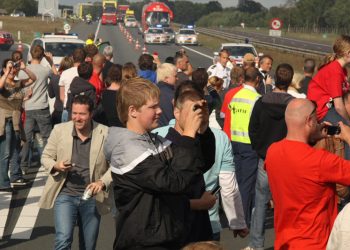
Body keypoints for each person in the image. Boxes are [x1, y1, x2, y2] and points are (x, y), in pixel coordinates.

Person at [103, 78, 212, 249]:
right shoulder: (128, 150)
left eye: (158, 105)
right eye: (153, 107)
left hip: (164, 238)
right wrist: (189, 133)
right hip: (144, 243)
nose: (160, 111)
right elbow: (174, 182)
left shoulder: (153, 141)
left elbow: (198, 164)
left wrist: (202, 128)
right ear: (133, 111)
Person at [154, 88, 248, 242]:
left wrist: (203, 125)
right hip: (174, 229)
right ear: (176, 112)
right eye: (192, 110)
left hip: (205, 226)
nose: (195, 115)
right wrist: (199, 204)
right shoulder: (160, 140)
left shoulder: (211, 139)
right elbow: (171, 186)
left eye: (199, 110)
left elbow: (212, 167)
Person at [265, 98, 350, 250]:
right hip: (316, 243)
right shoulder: (321, 161)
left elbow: (294, 159)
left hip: (285, 242)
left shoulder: (272, 152)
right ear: (310, 121)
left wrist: (311, 138)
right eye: (317, 119)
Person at [39, 95, 112, 250]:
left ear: (91, 114)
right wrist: (56, 165)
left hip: (91, 197)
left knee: (88, 245)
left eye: (82, 114)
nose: (77, 118)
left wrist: (102, 182)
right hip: (65, 193)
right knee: (63, 239)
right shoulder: (59, 130)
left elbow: (115, 166)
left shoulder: (105, 133)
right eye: (74, 113)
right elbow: (45, 157)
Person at [244, 63, 295, 250]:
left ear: (274, 79)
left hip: (265, 159)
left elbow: (252, 129)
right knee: (286, 204)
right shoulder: (293, 106)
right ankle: (286, 243)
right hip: (287, 160)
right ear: (289, 81)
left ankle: (256, 244)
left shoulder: (261, 102)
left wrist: (260, 150)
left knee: (260, 203)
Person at [308, 35, 350, 158]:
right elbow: (338, 106)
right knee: (347, 132)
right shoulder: (334, 71)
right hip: (323, 110)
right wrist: (348, 121)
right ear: (348, 53)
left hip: (330, 108)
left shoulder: (342, 71)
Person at [229, 67, 261, 227]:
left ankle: (234, 216)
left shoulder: (236, 96)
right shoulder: (256, 98)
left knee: (238, 181)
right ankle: (243, 220)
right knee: (247, 184)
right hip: (249, 144)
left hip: (235, 142)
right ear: (256, 80)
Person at [19, 45, 57, 173]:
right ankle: (49, 164)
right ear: (42, 56)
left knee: (26, 138)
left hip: (28, 107)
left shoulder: (24, 70)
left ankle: (23, 165)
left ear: (30, 54)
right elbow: (55, 74)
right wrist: (50, 61)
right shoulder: (45, 70)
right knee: (47, 137)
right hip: (42, 107)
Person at [0, 59, 36, 191]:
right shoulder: (3, 82)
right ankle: (3, 183)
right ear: (4, 69)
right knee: (5, 153)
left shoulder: (18, 83)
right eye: (9, 67)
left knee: (15, 149)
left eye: (14, 68)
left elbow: (33, 78)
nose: (12, 70)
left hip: (16, 121)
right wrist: (7, 71)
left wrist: (23, 68)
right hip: (5, 121)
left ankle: (14, 175)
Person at [59, 48, 86, 122]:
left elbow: (62, 97)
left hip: (67, 109)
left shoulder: (65, 73)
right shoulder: (86, 73)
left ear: (72, 58)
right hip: (82, 111)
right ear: (84, 59)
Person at [48, 56, 74, 126]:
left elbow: (51, 95)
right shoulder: (74, 78)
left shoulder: (55, 78)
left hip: (58, 110)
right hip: (70, 110)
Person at [156, 63, 177, 127]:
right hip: (169, 132)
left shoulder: (153, 91)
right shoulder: (172, 96)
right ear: (166, 79)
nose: (177, 78)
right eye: (175, 76)